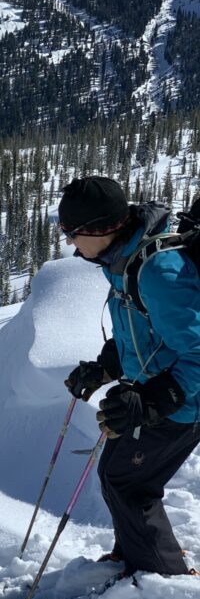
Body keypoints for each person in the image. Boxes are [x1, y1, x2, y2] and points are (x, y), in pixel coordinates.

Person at [58, 176, 200, 577]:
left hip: (185, 402)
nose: (70, 242)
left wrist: (153, 401)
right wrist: (105, 367)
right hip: (159, 389)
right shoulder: (122, 259)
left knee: (129, 481)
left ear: (99, 230)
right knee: (116, 472)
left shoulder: (158, 271)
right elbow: (142, 331)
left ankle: (162, 576)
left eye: (72, 233)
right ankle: (136, 554)